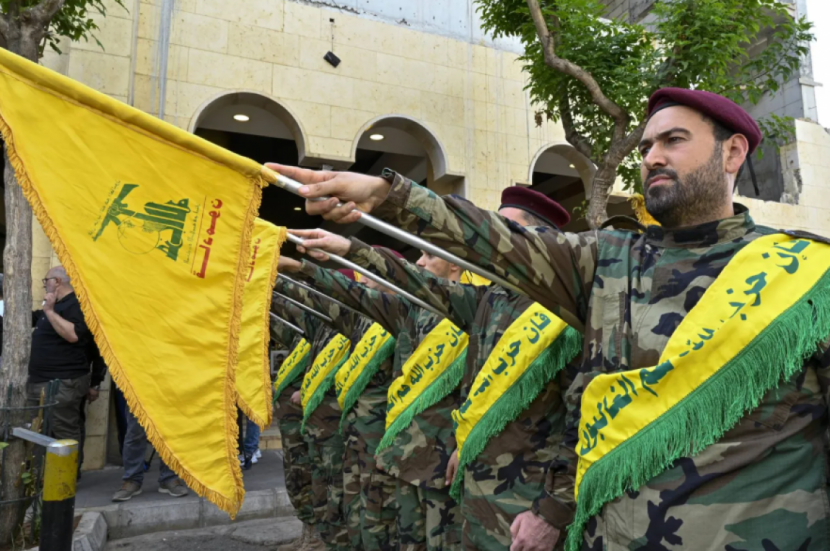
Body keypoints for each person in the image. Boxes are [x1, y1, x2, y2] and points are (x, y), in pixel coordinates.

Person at [273, 87, 830, 549]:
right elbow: (495, 240)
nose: (652, 157)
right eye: (646, 146)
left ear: (732, 153)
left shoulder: (805, 276)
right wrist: (387, 193)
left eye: (673, 140)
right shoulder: (607, 259)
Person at [295, 186, 579, 551]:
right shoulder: (490, 300)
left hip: (527, 502)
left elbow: (583, 425)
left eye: (509, 230)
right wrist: (350, 250)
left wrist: (553, 511)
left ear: (542, 241)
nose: (497, 240)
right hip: (474, 493)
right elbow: (418, 284)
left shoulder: (569, 313)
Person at [289, 241, 465, 551]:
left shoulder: (473, 313)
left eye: (429, 255)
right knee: (383, 530)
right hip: (397, 449)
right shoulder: (410, 313)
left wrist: (463, 445)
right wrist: (299, 268)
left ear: (455, 264)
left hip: (441, 458)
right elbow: (341, 297)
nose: (420, 262)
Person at [279, 259, 400, 551]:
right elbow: (297, 306)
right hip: (350, 433)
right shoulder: (353, 322)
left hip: (371, 436)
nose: (364, 280)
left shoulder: (396, 320)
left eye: (372, 275)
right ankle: (320, 539)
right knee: (340, 503)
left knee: (374, 515)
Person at [277, 276, 352, 551]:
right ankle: (312, 534)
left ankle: (323, 540)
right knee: (308, 481)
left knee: (333, 489)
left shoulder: (350, 326)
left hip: (331, 425)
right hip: (313, 422)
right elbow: (286, 312)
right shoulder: (320, 326)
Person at [271, 296, 324, 551]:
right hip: (288, 416)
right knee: (295, 476)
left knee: (306, 474)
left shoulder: (326, 331)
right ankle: (306, 531)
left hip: (307, 417)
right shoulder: (302, 333)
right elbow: (274, 324)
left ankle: (315, 536)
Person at [27, 266, 96, 445]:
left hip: (61, 382)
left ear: (57, 281)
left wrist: (49, 311)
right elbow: (30, 318)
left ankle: (68, 465)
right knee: (38, 430)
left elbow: (73, 335)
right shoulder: (57, 305)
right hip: (43, 381)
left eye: (46, 280)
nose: (44, 285)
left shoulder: (77, 304)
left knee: (63, 433)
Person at [112, 400, 189, 501]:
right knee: (135, 434)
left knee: (170, 433)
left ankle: (169, 478)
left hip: (168, 392)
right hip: (138, 392)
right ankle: (132, 480)